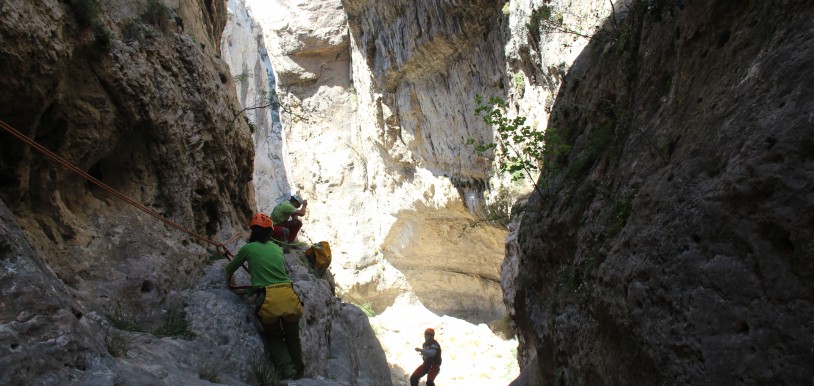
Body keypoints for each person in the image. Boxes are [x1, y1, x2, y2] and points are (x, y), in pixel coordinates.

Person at [226, 213, 304, 380]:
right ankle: (300, 371)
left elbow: (230, 268)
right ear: (270, 232)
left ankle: (288, 370)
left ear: (253, 231)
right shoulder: (277, 248)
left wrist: (236, 285)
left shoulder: (248, 248)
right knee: (293, 337)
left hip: (268, 299)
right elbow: (276, 273)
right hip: (289, 295)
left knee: (275, 337)